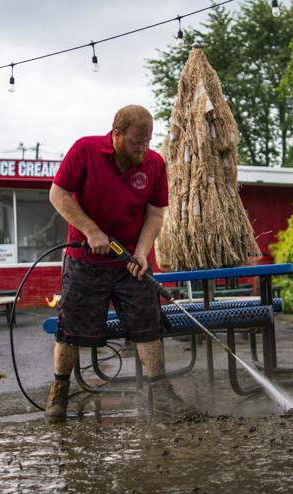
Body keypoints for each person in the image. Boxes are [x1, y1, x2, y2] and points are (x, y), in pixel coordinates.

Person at [46, 104, 190, 421]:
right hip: (85, 260)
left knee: (148, 324)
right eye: (137, 141)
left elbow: (155, 213)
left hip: (132, 261)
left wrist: (142, 251)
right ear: (116, 135)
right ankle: (59, 390)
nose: (143, 148)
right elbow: (58, 195)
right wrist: (91, 231)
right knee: (69, 328)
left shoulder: (154, 164)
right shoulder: (85, 150)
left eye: (148, 141)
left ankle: (160, 390)